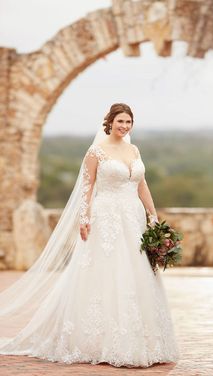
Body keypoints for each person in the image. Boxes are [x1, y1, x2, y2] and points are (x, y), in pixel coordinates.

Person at [0, 103, 180, 368]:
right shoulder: (96, 151)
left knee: (138, 271)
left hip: (134, 219)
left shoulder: (134, 150)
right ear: (109, 122)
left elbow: (141, 184)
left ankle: (144, 340)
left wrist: (153, 216)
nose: (124, 126)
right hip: (107, 218)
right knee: (107, 271)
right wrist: (84, 218)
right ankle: (101, 341)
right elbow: (87, 187)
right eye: (120, 121)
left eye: (128, 122)